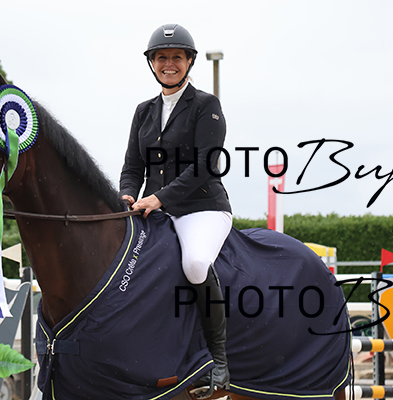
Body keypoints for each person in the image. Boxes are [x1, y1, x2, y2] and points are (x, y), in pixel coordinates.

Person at [119, 24, 232, 398]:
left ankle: (219, 361)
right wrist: (126, 196)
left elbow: (204, 166)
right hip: (155, 209)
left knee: (195, 264)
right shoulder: (144, 111)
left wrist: (159, 198)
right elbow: (133, 166)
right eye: (162, 58)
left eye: (176, 57)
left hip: (202, 208)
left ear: (189, 62)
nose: (169, 64)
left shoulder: (205, 106)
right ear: (152, 63)